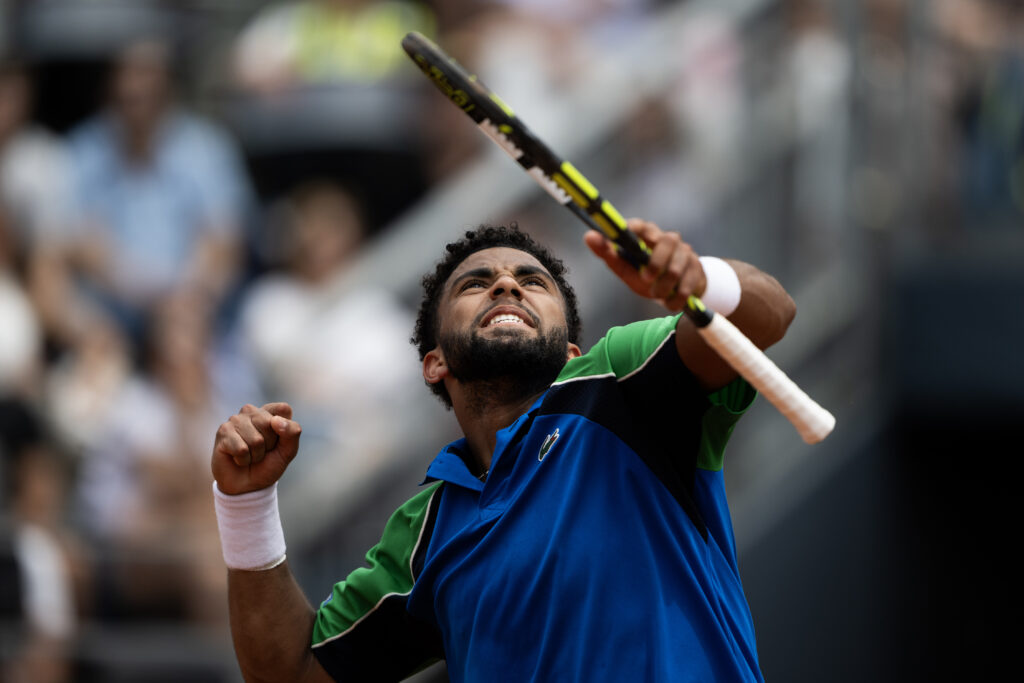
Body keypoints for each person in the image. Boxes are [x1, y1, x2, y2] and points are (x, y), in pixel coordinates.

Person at [210, 218, 796, 681]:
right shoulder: (424, 533)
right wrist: (246, 505)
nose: (507, 284)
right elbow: (291, 673)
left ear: (571, 353)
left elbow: (769, 315)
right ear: (435, 363)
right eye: (475, 284)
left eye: (532, 282)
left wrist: (703, 283)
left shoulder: (619, 381)